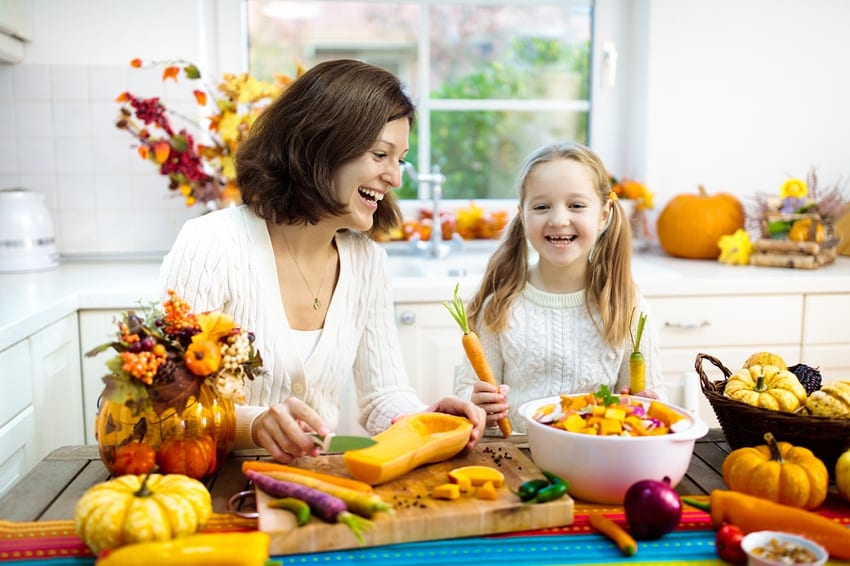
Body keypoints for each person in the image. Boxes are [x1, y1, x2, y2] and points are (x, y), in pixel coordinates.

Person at [159, 59, 485, 463]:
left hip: (315, 483)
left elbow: (383, 394)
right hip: (212, 480)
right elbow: (164, 402)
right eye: (380, 154)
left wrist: (424, 419)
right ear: (321, 146)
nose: (395, 178)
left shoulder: (367, 263)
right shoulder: (212, 245)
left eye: (399, 160)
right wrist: (254, 424)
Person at [454, 142, 665, 434]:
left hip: (598, 460)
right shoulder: (499, 305)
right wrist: (477, 405)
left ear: (604, 215)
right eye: (541, 207)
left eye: (576, 205)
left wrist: (645, 406)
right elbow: (466, 396)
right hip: (518, 462)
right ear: (523, 215)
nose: (558, 220)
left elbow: (653, 404)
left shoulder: (627, 305)